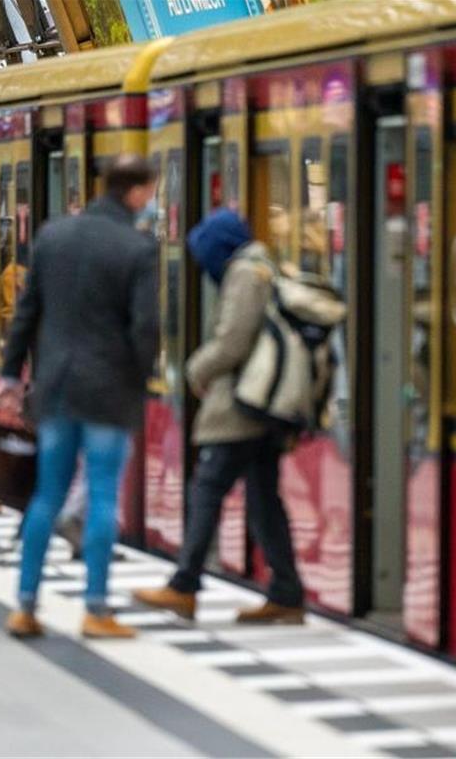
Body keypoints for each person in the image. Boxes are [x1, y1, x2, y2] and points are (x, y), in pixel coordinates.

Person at [0, 154, 159, 640]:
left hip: (56, 385)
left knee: (47, 494)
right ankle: (96, 608)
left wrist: (9, 374)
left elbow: (26, 313)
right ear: (136, 193)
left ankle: (24, 606)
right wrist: (143, 376)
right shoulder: (137, 247)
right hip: (110, 389)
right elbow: (147, 328)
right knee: (104, 494)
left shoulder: (53, 237)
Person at [134, 209, 306, 625]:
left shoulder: (245, 273)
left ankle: (184, 586)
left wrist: (196, 369)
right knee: (264, 498)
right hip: (261, 402)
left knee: (207, 489)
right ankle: (286, 594)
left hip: (242, 405)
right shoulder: (263, 267)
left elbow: (233, 340)